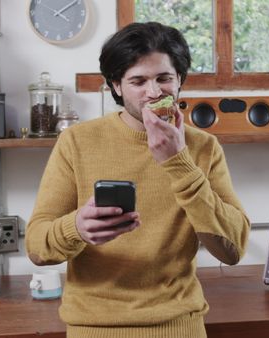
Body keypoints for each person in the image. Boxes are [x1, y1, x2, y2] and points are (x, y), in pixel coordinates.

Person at [25, 21, 250, 338]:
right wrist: (75, 227)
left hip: (180, 326)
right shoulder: (77, 142)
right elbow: (36, 246)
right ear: (116, 85)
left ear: (180, 80)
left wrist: (178, 162)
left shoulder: (203, 147)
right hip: (94, 328)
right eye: (138, 81)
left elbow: (232, 249)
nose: (154, 92)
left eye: (164, 78)